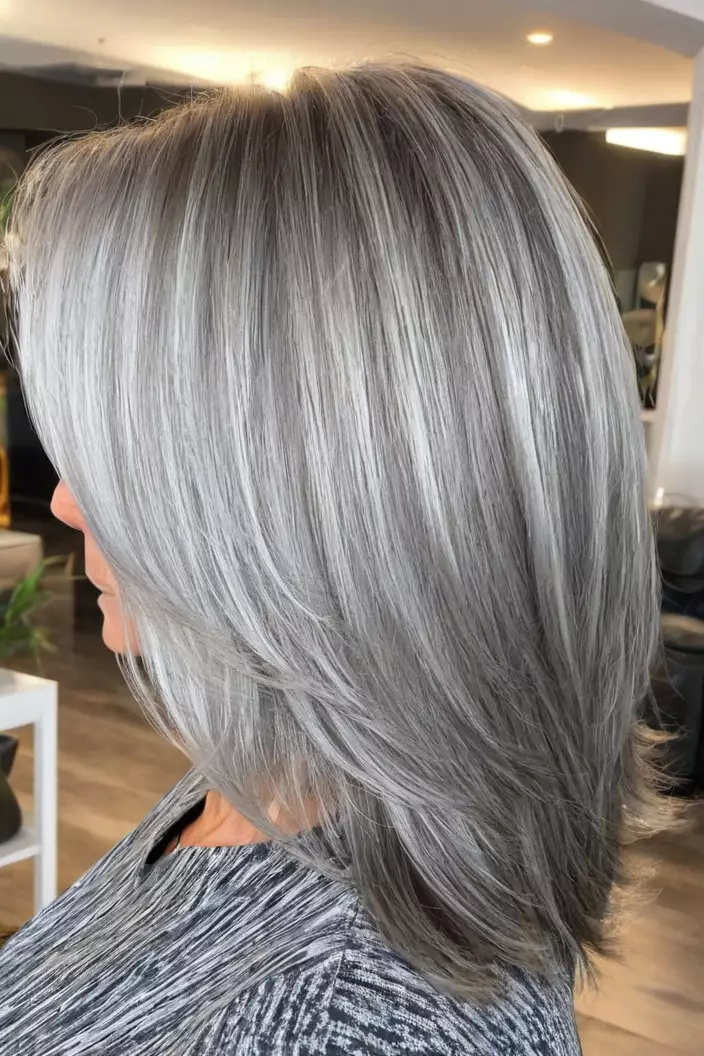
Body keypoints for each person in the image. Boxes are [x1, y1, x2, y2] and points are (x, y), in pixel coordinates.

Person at [0, 64, 663, 1054]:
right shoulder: (278, 770)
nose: (63, 500)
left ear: (305, 502)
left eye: (115, 457)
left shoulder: (362, 1025)